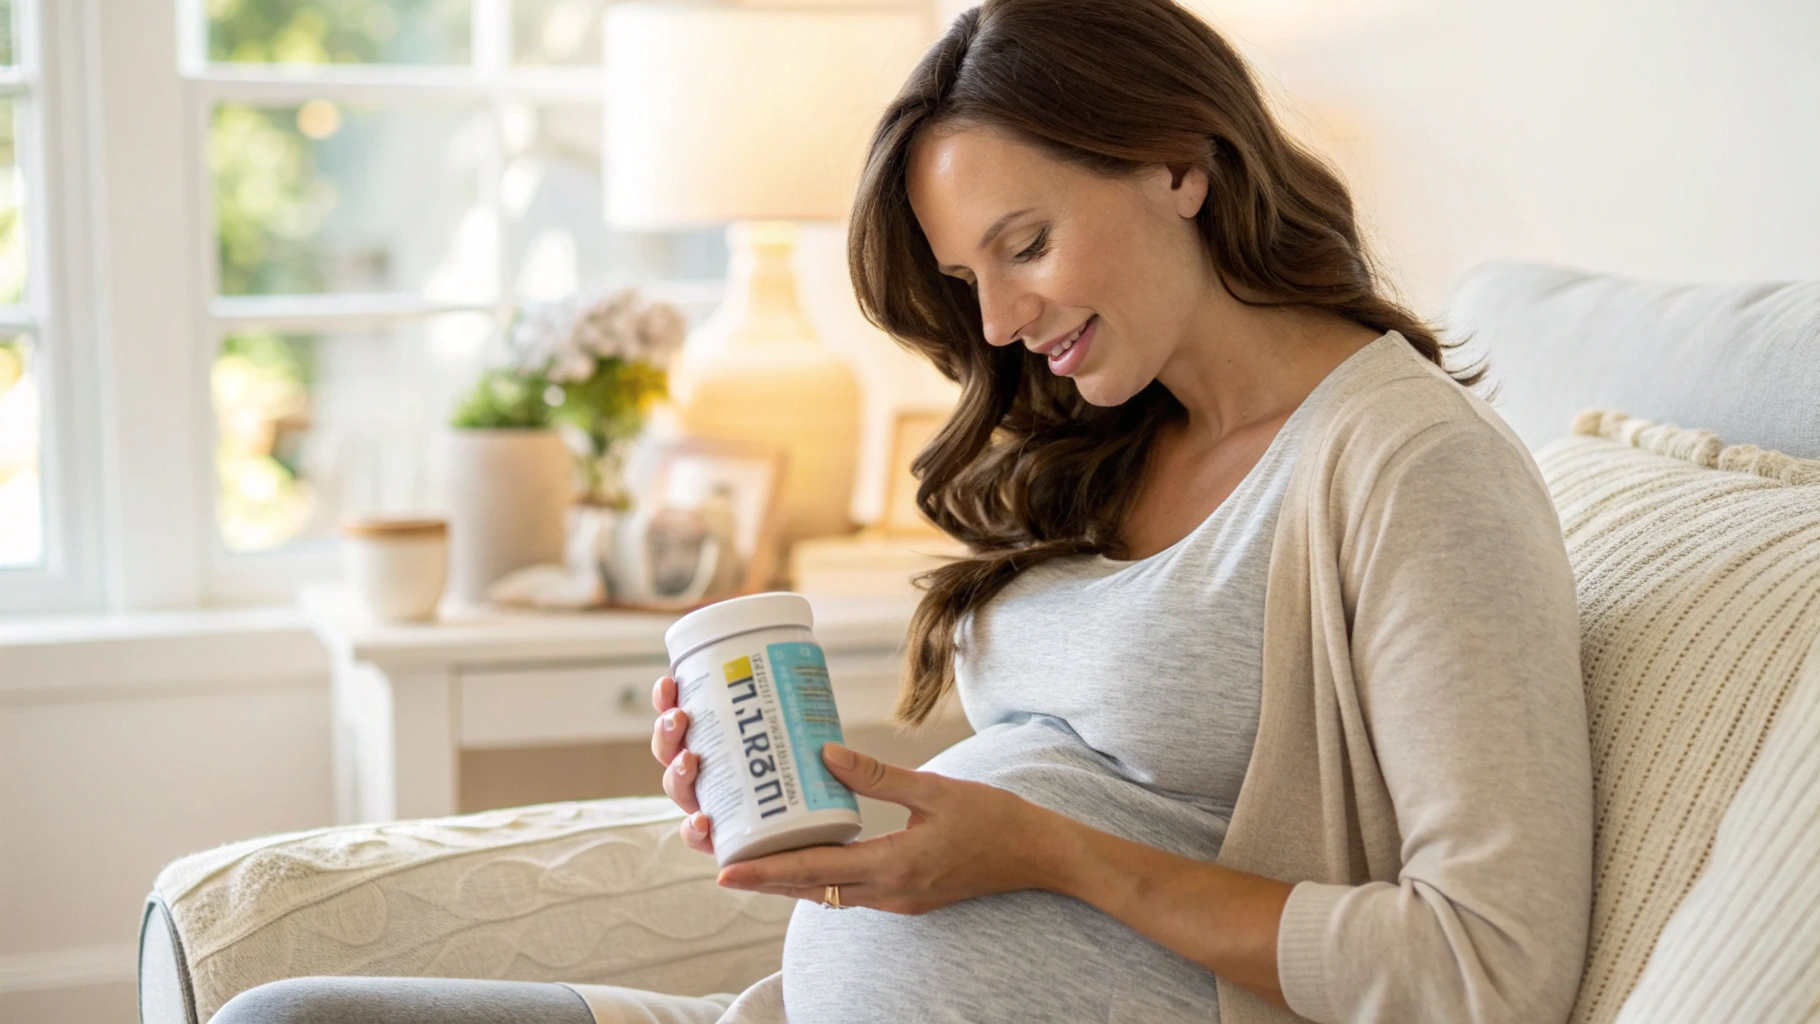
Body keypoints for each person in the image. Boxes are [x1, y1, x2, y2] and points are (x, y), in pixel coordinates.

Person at [213, 1, 1591, 1022]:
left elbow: (1492, 967)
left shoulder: (1410, 471)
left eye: (1025, 245)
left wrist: (1049, 852)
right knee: (286, 1020)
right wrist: (807, 794)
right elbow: (1074, 784)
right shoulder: (1113, 439)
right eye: (967, 277)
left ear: (1182, 163)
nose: (997, 322)